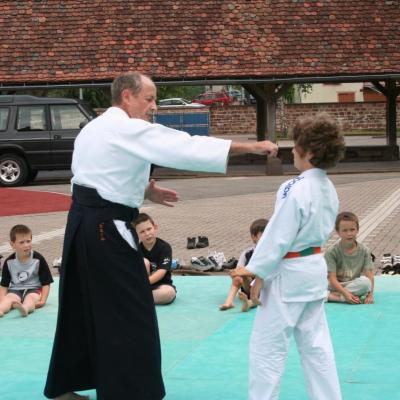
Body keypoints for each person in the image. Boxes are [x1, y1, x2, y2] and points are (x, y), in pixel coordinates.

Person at [44, 71, 278, 400]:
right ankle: (131, 393)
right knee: (130, 311)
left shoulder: (95, 128)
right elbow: (181, 146)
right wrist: (247, 146)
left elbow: (100, 173)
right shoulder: (126, 127)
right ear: (127, 96)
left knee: (81, 305)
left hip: (82, 224)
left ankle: (63, 387)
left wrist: (145, 190)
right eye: (149, 98)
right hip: (105, 228)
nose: (154, 106)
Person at [232, 113, 345, 400]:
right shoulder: (328, 187)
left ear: (308, 151)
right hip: (313, 270)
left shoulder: (294, 187)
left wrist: (254, 270)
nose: (292, 150)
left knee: (267, 350)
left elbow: (278, 235)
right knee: (317, 347)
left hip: (288, 273)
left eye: (296, 145)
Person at [0, 224, 53, 318]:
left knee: (31, 299)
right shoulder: (9, 262)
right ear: (12, 244)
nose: (26, 245)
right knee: (8, 299)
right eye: (21, 242)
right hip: (15, 289)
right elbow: (4, 285)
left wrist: (43, 300)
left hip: (34, 289)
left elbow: (46, 282)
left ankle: (25, 309)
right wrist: (2, 299)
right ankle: (1, 310)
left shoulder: (38, 259)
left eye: (28, 241)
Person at [325, 211, 374, 304]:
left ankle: (331, 296)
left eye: (352, 230)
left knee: (365, 283)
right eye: (345, 230)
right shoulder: (331, 252)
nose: (349, 234)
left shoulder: (364, 250)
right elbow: (332, 279)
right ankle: (340, 298)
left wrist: (370, 295)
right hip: (333, 286)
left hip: (352, 284)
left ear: (357, 230)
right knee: (313, 286)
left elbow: (369, 275)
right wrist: (346, 293)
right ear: (338, 232)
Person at [219, 218, 268, 312]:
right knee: (238, 277)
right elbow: (239, 270)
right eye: (263, 235)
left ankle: (249, 302)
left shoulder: (271, 253)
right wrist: (234, 273)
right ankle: (228, 302)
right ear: (254, 237)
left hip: (265, 287)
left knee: (257, 276)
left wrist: (246, 272)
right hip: (249, 287)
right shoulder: (247, 253)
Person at [133, 213, 176, 305]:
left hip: (161, 286)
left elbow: (161, 271)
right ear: (136, 234)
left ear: (155, 227)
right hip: (142, 286)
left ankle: (137, 298)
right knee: (144, 262)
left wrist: (144, 283)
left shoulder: (165, 247)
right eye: (142, 231)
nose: (147, 234)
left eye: (149, 229)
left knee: (169, 293)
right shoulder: (136, 250)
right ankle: (140, 297)